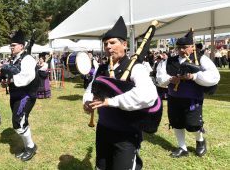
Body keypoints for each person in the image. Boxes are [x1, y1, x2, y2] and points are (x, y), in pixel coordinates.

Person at [83, 16, 159, 169]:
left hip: (127, 133)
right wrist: (87, 102)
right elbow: (91, 88)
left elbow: (147, 95)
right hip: (103, 129)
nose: (108, 47)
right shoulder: (102, 68)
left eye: (112, 43)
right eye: (105, 44)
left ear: (124, 45)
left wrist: (110, 102)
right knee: (102, 166)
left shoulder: (135, 68)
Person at [156, 29, 220, 158]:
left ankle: (200, 141)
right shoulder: (168, 61)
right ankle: (182, 147)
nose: (181, 50)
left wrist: (194, 76)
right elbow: (160, 77)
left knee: (193, 124)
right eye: (179, 47)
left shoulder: (201, 59)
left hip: (193, 98)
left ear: (192, 47)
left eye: (185, 47)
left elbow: (214, 76)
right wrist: (170, 79)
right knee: (176, 122)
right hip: (174, 97)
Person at [0, 30, 39, 161]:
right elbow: (12, 75)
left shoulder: (27, 59)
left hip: (26, 95)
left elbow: (27, 77)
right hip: (15, 95)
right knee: (21, 120)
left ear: (22, 46)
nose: (11, 47)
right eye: (11, 45)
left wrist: (11, 79)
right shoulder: (14, 59)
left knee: (18, 122)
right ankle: (29, 146)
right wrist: (5, 80)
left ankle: (31, 147)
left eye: (14, 45)